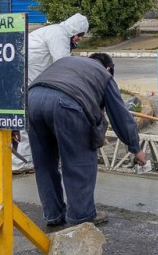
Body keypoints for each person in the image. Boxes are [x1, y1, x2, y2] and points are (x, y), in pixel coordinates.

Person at [27, 53, 146, 227]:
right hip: (67, 104)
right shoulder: (103, 74)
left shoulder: (66, 61)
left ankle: (53, 214)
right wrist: (135, 147)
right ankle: (81, 216)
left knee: (44, 163)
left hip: (31, 100)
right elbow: (120, 116)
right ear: (108, 68)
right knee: (78, 163)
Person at [12, 13, 89, 172]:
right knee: (28, 121)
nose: (79, 39)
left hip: (25, 77)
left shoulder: (51, 31)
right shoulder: (59, 34)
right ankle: (21, 162)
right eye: (79, 35)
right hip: (28, 80)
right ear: (74, 31)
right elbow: (63, 66)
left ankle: (25, 160)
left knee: (27, 120)